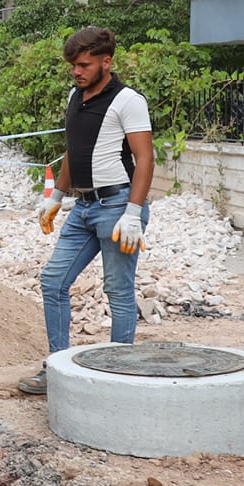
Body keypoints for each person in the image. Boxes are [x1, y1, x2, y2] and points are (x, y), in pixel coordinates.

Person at [18, 26, 154, 396]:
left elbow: (145, 159)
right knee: (53, 281)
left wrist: (133, 212)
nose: (76, 72)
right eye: (73, 66)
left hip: (117, 207)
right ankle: (57, 369)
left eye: (84, 65)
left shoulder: (128, 101)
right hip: (83, 207)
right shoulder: (74, 97)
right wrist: (57, 195)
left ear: (106, 62)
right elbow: (73, 150)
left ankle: (120, 376)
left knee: (119, 292)